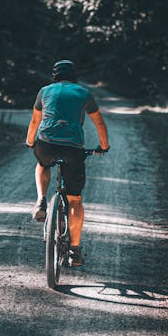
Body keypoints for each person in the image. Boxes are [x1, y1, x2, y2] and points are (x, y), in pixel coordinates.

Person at [25, 59, 110, 266]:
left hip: (46, 145)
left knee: (43, 164)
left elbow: (35, 121)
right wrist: (104, 146)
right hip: (73, 149)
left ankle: (41, 201)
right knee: (74, 200)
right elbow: (98, 122)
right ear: (75, 76)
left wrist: (30, 142)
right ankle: (74, 250)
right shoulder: (83, 94)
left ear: (54, 76)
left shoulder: (44, 91)